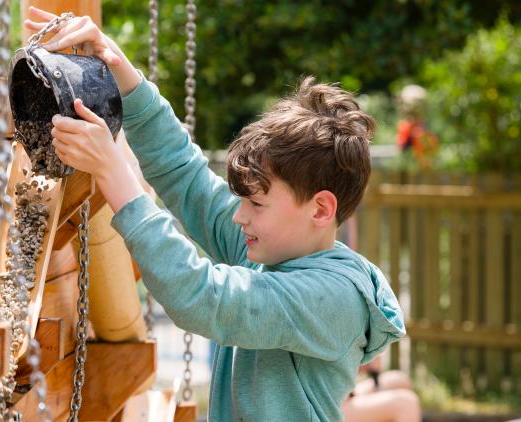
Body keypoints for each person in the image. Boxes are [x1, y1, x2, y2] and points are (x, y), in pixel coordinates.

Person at [25, 8, 406, 421]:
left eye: (256, 204)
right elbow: (184, 173)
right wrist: (123, 74)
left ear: (320, 209)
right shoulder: (272, 247)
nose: (239, 217)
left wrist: (115, 174)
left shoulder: (333, 297)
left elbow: (203, 296)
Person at [342, 355, 422, 422]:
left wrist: (361, 361)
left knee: (400, 379)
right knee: (407, 403)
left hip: (346, 392)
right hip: (334, 406)